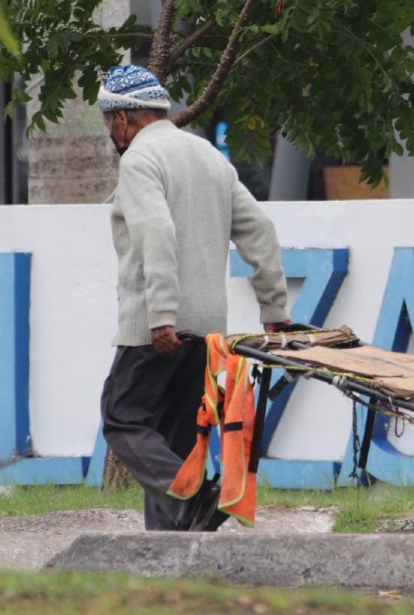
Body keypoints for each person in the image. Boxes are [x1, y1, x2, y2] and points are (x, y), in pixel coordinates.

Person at [95, 64, 290, 531]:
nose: (111, 133)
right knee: (173, 438)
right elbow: (258, 231)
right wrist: (274, 309)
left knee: (122, 419)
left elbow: (156, 232)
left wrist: (161, 313)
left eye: (108, 122)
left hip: (156, 327)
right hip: (207, 331)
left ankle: (194, 495)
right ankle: (177, 542)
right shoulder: (208, 157)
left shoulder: (140, 159)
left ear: (124, 118)